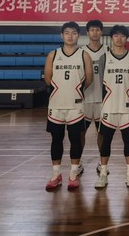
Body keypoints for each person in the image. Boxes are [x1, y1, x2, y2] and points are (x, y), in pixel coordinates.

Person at [43, 21, 93, 191]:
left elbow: (89, 78)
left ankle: (73, 173)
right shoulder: (53, 55)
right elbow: (48, 78)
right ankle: (56, 174)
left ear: (78, 35)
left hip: (75, 105)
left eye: (74, 33)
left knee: (75, 139)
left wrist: (75, 91)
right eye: (67, 33)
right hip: (56, 104)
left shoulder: (84, 55)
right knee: (56, 139)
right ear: (61, 35)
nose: (70, 36)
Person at [95, 25, 129, 189]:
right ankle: (103, 173)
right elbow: (101, 81)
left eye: (122, 36)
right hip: (109, 105)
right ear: (111, 38)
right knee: (105, 141)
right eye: (116, 35)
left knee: (127, 140)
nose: (119, 38)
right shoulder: (104, 58)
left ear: (126, 38)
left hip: (127, 105)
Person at [81, 19, 108, 173]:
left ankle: (101, 162)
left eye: (98, 30)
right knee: (80, 133)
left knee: (102, 133)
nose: (95, 32)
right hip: (84, 99)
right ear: (87, 32)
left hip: (103, 99)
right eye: (92, 30)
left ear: (101, 32)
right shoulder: (81, 52)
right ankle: (77, 162)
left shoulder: (108, 51)